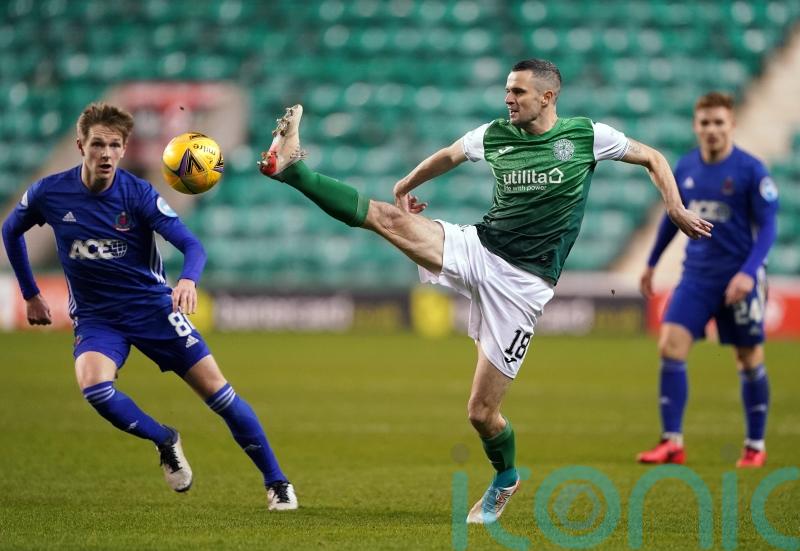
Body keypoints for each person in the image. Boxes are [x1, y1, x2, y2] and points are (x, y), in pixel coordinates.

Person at [257, 59, 712, 523]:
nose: (508, 98)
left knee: (481, 413)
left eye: (518, 91)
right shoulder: (494, 134)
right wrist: (404, 185)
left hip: (523, 288)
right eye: (507, 91)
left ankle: (505, 476)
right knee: (387, 218)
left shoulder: (586, 136)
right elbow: (449, 155)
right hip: (480, 246)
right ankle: (294, 170)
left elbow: (653, 156)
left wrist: (673, 207)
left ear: (547, 97)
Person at [1, 102, 297, 510]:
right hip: (98, 317)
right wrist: (30, 292)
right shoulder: (50, 193)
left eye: (114, 145)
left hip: (153, 310)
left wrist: (189, 279)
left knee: (219, 394)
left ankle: (277, 482)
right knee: (95, 388)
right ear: (79, 145)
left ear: (124, 150)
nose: (106, 153)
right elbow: (10, 230)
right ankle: (164, 439)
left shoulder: (137, 194)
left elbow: (192, 245)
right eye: (97, 144)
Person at [637, 92, 778, 468]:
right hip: (696, 277)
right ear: (696, 126)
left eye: (719, 122)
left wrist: (749, 273)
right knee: (670, 345)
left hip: (737, 279)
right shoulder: (684, 168)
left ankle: (755, 445)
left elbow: (767, 228)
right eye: (705, 122)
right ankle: (672, 442)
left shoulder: (751, 171)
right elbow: (674, 217)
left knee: (748, 359)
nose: (712, 129)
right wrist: (652, 263)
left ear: (731, 124)